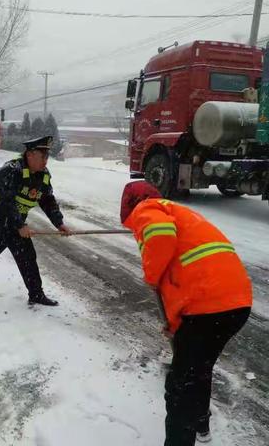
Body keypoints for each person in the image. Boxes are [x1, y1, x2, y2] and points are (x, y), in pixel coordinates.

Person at [120, 180, 252, 446]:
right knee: (198, 369)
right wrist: (176, 324)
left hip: (209, 305)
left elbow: (159, 234)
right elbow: (186, 279)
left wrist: (151, 274)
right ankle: (201, 425)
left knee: (180, 386)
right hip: (235, 303)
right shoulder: (180, 214)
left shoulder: (148, 207)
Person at [0, 135, 72, 315]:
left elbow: (48, 200)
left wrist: (59, 223)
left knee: (28, 258)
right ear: (30, 154)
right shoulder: (9, 171)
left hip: (16, 225)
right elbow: (6, 202)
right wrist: (20, 225)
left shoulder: (43, 176)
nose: (46, 161)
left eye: (47, 157)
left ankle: (36, 294)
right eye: (43, 156)